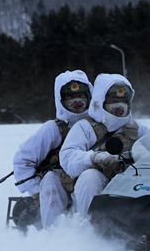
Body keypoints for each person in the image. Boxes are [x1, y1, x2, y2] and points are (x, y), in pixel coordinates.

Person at [12, 70, 93, 228]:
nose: (76, 101)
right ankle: (53, 235)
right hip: (60, 188)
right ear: (60, 99)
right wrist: (38, 193)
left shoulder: (100, 125)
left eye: (81, 95)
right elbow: (23, 160)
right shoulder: (53, 129)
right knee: (50, 179)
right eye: (69, 97)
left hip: (90, 184)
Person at [59, 73, 149, 216]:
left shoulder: (136, 129)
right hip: (100, 185)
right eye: (113, 100)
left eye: (123, 100)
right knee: (90, 177)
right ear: (100, 101)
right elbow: (68, 157)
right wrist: (95, 158)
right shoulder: (85, 127)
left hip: (131, 182)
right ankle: (87, 223)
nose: (119, 105)